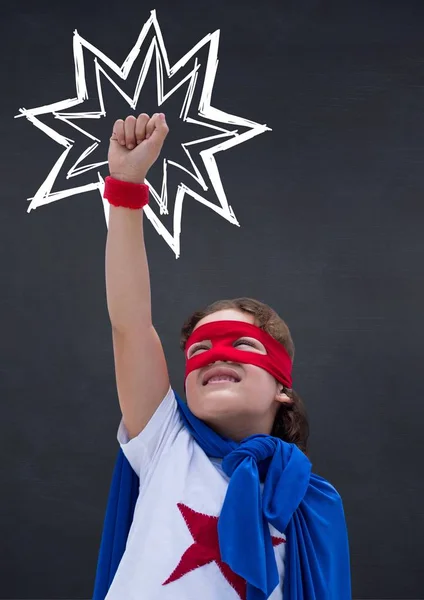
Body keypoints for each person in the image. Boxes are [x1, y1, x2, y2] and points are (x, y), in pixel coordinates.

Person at [92, 113, 352, 599]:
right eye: (200, 351)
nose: (215, 357)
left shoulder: (309, 502)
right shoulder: (166, 441)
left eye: (243, 345)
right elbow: (129, 324)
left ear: (283, 390)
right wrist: (126, 189)